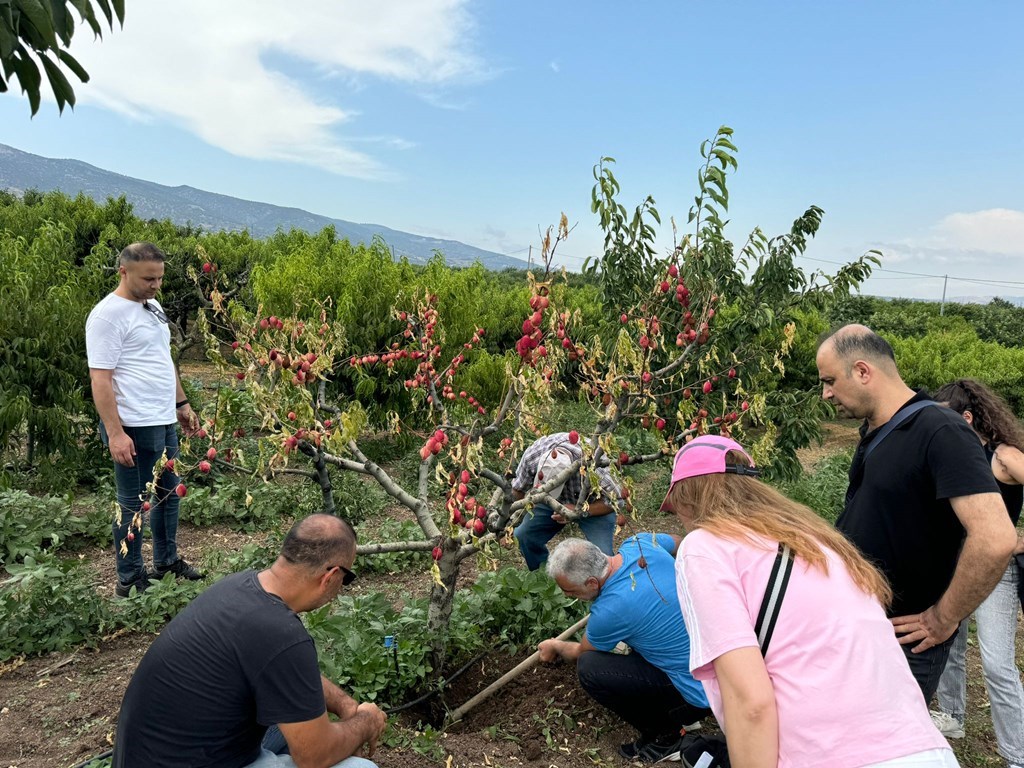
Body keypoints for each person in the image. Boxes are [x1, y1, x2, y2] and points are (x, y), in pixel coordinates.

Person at [664, 434, 958, 768]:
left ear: (687, 500)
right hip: (925, 750)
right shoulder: (819, 543)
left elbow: (751, 703)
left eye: (676, 509)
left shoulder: (705, 548)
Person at [816, 325, 1016, 700]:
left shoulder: (940, 430)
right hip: (865, 625)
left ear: (862, 371)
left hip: (904, 641)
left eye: (829, 380)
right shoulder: (881, 428)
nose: (826, 393)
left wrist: (943, 618)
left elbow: (996, 538)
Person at [112, 513, 387, 768]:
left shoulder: (241, 587)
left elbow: (287, 676)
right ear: (330, 577)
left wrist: (344, 704)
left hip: (148, 756)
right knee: (360, 767)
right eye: (347, 579)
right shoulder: (281, 633)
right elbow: (313, 757)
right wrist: (365, 722)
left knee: (298, 716)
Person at [86, 241, 203, 597]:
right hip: (134, 426)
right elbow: (100, 379)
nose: (156, 285)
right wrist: (116, 433)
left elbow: (163, 358)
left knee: (169, 495)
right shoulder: (107, 316)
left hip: (162, 418)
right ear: (123, 271)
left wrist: (181, 403)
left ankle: (166, 561)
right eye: (148, 279)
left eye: (160, 278)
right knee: (132, 502)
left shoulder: (152, 307)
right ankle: (130, 578)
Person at [537, 535, 712, 763]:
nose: (567, 596)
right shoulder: (640, 543)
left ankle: (667, 736)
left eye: (570, 591)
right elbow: (683, 541)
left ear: (592, 582)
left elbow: (581, 651)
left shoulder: (610, 611)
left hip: (697, 698)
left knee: (590, 667)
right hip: (719, 668)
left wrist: (555, 645)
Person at [930, 380, 1024, 767]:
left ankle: (1017, 754)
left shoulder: (1003, 456)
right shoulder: (960, 459)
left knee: (997, 665)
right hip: (961, 564)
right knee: (950, 643)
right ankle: (952, 715)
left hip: (996, 571)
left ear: (967, 418)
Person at [511, 432, 624, 570]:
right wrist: (515, 518)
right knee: (523, 535)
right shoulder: (533, 457)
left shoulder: (596, 466)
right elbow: (517, 489)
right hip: (550, 500)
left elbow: (617, 500)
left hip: (594, 504)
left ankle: (602, 587)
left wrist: (580, 511)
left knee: (603, 558)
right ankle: (542, 579)